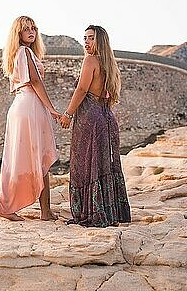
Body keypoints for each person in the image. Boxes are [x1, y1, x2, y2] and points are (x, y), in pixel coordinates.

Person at [59, 25, 131, 227]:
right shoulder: (109, 64)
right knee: (102, 166)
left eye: (91, 38)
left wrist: (68, 114)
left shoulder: (90, 60)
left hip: (89, 120)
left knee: (84, 165)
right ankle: (109, 213)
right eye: (85, 38)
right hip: (106, 118)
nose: (86, 42)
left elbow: (82, 89)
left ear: (100, 40)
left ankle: (89, 214)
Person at [0, 15, 60, 221]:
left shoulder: (20, 53)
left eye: (33, 28)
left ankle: (39, 210)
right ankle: (42, 212)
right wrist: (51, 109)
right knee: (38, 158)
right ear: (18, 33)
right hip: (30, 106)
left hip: (22, 106)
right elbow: (34, 81)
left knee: (21, 159)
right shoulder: (24, 52)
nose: (31, 31)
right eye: (26, 29)